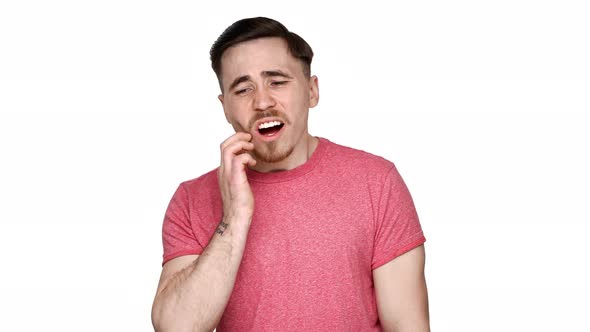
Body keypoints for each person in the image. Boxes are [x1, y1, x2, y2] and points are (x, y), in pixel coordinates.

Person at [151, 17, 430, 331]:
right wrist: (234, 217)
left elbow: (408, 325)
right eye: (243, 89)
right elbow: (176, 327)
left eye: (277, 81)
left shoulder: (377, 183)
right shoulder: (191, 199)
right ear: (225, 107)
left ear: (312, 91)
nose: (262, 102)